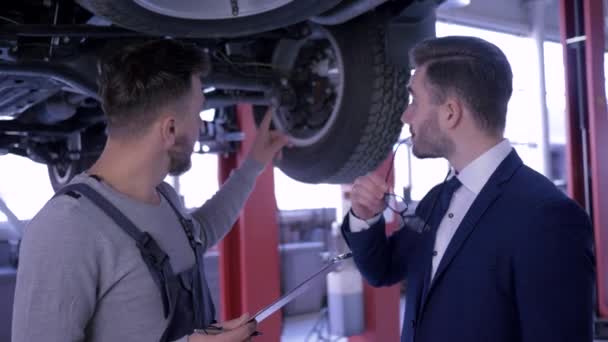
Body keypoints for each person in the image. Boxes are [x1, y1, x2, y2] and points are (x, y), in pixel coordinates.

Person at [12, 39, 289, 342]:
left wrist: (254, 164)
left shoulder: (165, 199)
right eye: (198, 113)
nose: (200, 125)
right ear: (170, 130)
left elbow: (199, 234)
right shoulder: (66, 229)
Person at [342, 36, 595, 342]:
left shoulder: (549, 218)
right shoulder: (437, 200)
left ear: (451, 112)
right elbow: (382, 270)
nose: (406, 115)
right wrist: (364, 217)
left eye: (414, 101)